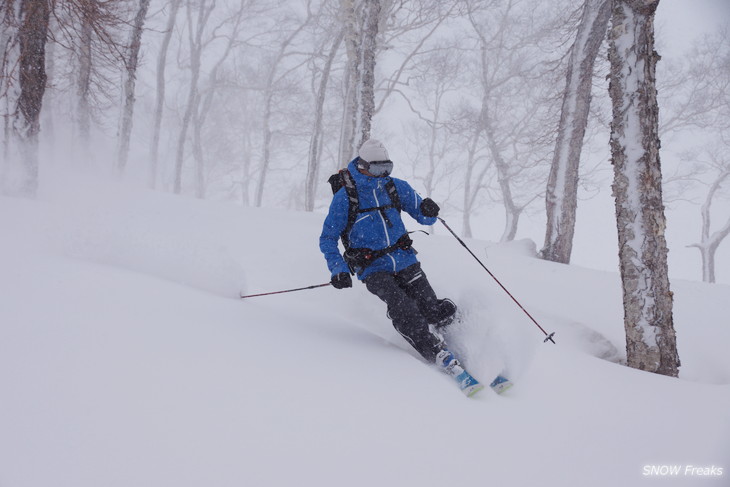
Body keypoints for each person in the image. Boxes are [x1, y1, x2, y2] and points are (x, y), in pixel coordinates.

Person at [319, 138, 458, 367]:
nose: (383, 173)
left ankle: (456, 337)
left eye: (387, 167)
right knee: (404, 309)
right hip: (373, 268)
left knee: (432, 308)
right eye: (378, 168)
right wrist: (338, 270)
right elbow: (328, 239)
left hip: (404, 259)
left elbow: (423, 215)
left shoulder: (395, 187)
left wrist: (429, 209)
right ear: (363, 165)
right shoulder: (345, 197)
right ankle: (435, 353)